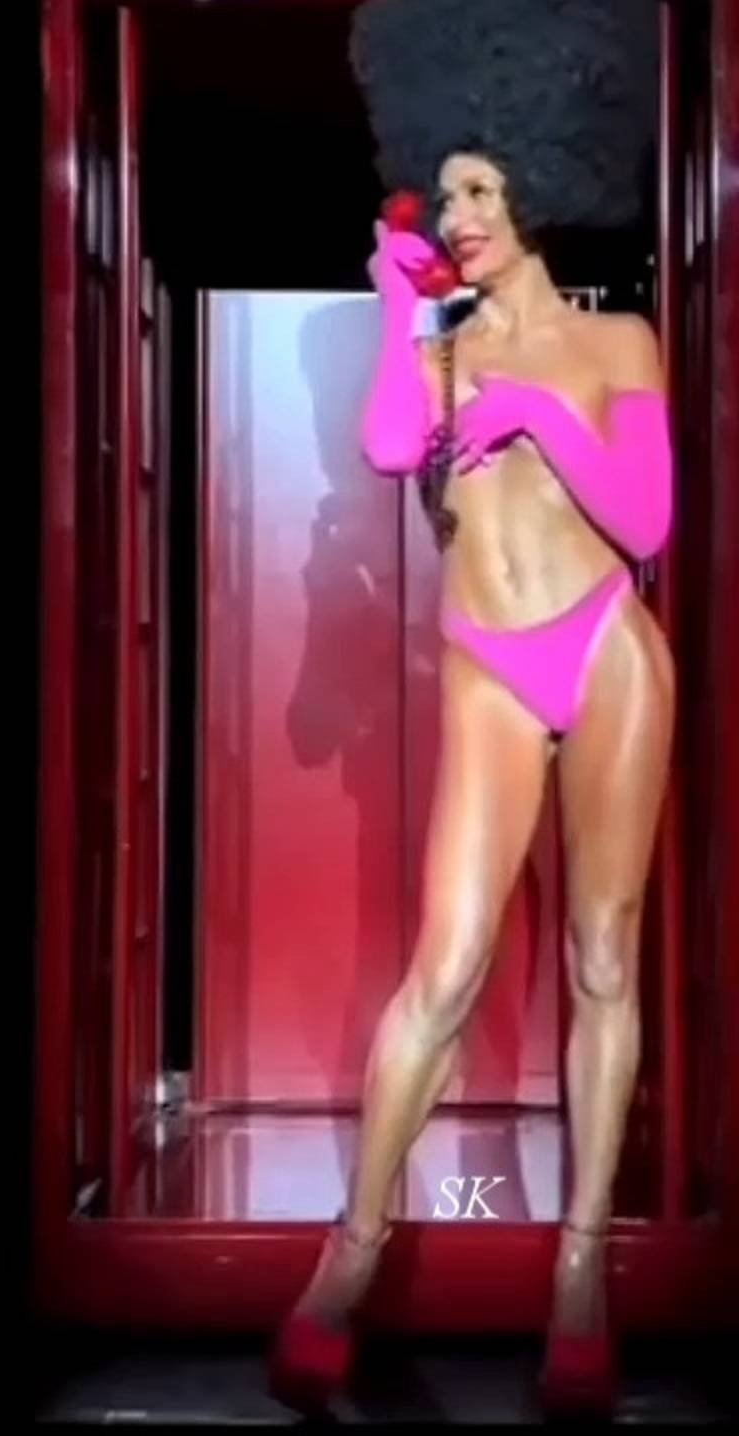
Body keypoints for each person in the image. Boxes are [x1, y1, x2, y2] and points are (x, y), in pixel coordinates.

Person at [272, 0, 668, 1417]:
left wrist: (542, 418)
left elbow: (649, 521)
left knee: (604, 959)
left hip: (608, 648)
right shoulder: (439, 348)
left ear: (538, 191)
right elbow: (392, 444)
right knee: (442, 970)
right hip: (492, 660)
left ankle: (581, 1276)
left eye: (484, 189)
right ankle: (348, 1260)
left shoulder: (621, 344)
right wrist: (399, 306)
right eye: (447, 191)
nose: (461, 213)